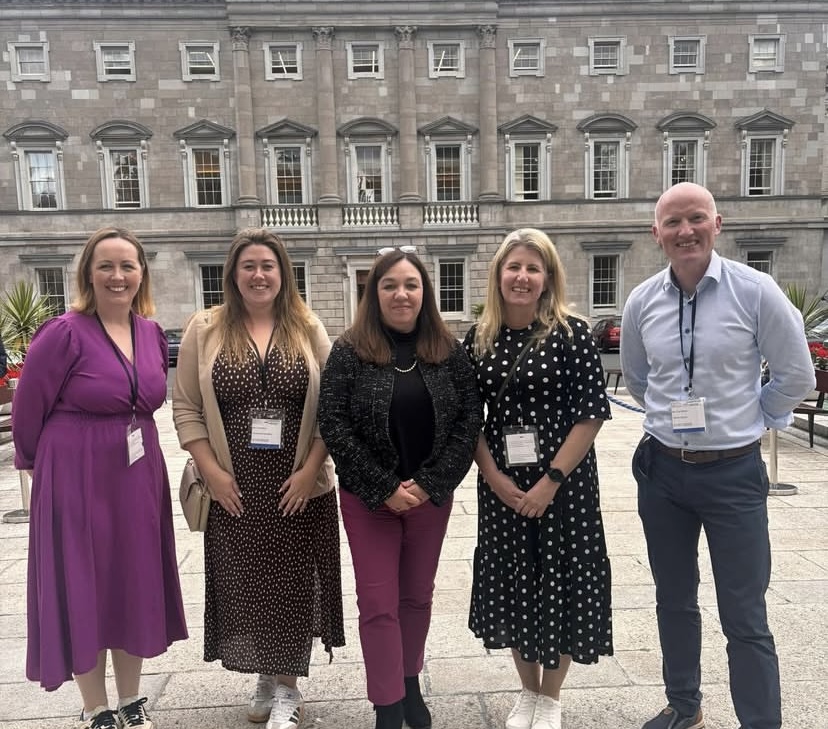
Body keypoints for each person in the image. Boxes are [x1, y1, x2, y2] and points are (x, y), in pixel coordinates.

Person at [620, 182, 816, 729]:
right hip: (663, 473)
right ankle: (685, 707)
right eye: (673, 222)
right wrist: (673, 420)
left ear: (717, 224)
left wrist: (754, 418)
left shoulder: (755, 291)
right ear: (656, 233)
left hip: (733, 474)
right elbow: (639, 379)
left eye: (696, 218)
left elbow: (797, 374)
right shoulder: (642, 302)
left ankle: (760, 722)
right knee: (673, 599)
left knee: (744, 612)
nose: (686, 231)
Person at [12, 226, 188, 729]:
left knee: (132, 577)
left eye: (127, 266)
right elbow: (27, 411)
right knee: (83, 580)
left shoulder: (151, 333)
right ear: (88, 274)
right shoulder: (63, 332)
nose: (117, 275)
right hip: (75, 471)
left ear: (141, 274)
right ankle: (96, 707)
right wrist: (44, 473)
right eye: (105, 265)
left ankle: (130, 701)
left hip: (135, 471)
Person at [172, 227, 344, 729]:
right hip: (235, 485)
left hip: (297, 485)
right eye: (248, 266)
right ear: (233, 274)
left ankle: (288, 689)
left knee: (292, 583)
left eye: (268, 265)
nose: (259, 275)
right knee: (248, 583)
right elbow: (186, 407)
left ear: (283, 273)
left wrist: (311, 471)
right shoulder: (205, 329)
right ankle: (269, 674)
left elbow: (333, 405)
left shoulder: (307, 326)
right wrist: (212, 473)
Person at [318, 247, 481, 729]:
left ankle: (409, 683)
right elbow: (334, 423)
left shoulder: (448, 351)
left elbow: (469, 421)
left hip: (430, 497)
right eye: (389, 285)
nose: (401, 294)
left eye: (411, 284)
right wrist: (384, 486)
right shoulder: (349, 350)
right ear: (374, 293)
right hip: (369, 501)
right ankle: (387, 703)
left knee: (416, 597)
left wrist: (430, 483)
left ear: (424, 292)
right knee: (377, 603)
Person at [463, 228, 613, 729]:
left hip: (565, 486)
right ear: (498, 274)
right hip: (502, 487)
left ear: (548, 277)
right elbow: (469, 419)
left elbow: (590, 415)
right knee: (515, 580)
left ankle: (551, 696)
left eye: (533, 268)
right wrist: (494, 477)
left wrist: (549, 481)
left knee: (561, 579)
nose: (522, 277)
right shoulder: (479, 336)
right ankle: (528, 689)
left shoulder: (572, 333)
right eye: (514, 267)